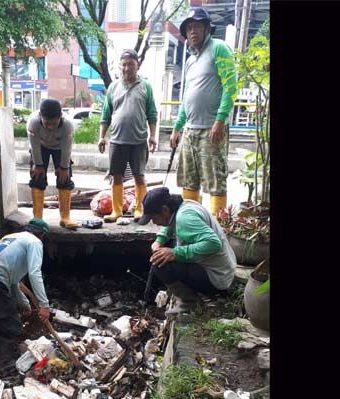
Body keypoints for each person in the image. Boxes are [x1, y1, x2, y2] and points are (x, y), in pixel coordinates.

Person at [169, 7, 237, 217]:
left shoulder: (220, 48)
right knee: (189, 179)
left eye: (197, 26)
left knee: (215, 180)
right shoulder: (190, 61)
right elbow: (186, 98)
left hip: (211, 128)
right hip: (190, 130)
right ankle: (193, 222)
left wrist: (220, 120)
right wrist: (177, 127)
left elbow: (230, 86)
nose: (192, 32)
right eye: (189, 28)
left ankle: (219, 228)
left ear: (207, 28)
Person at [138, 187, 236, 316]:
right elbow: (169, 224)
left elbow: (213, 243)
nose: (154, 223)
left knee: (160, 264)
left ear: (165, 210)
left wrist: (175, 253)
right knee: (162, 251)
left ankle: (189, 301)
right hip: (223, 268)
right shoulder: (183, 206)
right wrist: (159, 240)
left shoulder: (185, 219)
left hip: (216, 277)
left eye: (153, 218)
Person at [0, 218, 52, 370]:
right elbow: (35, 274)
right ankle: (4, 364)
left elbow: (14, 282)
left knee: (2, 319)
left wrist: (24, 304)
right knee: (10, 323)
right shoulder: (35, 242)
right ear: (42, 235)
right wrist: (44, 306)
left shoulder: (11, 238)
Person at [98, 49, 158, 222]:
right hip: (117, 140)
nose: (127, 68)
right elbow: (106, 115)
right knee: (116, 175)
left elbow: (152, 114)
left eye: (130, 64)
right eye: (124, 64)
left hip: (139, 141)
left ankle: (140, 209)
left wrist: (153, 136)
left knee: (139, 176)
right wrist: (102, 137)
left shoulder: (145, 86)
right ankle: (117, 211)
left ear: (137, 66)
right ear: (120, 66)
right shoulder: (113, 87)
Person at [27, 99, 78, 230]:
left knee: (64, 179)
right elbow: (34, 146)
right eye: (47, 123)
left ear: (60, 117)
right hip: (40, 147)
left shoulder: (68, 125)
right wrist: (38, 165)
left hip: (60, 148)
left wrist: (64, 167)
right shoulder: (33, 122)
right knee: (37, 177)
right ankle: (37, 217)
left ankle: (65, 217)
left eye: (54, 123)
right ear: (40, 116)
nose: (50, 126)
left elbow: (67, 148)